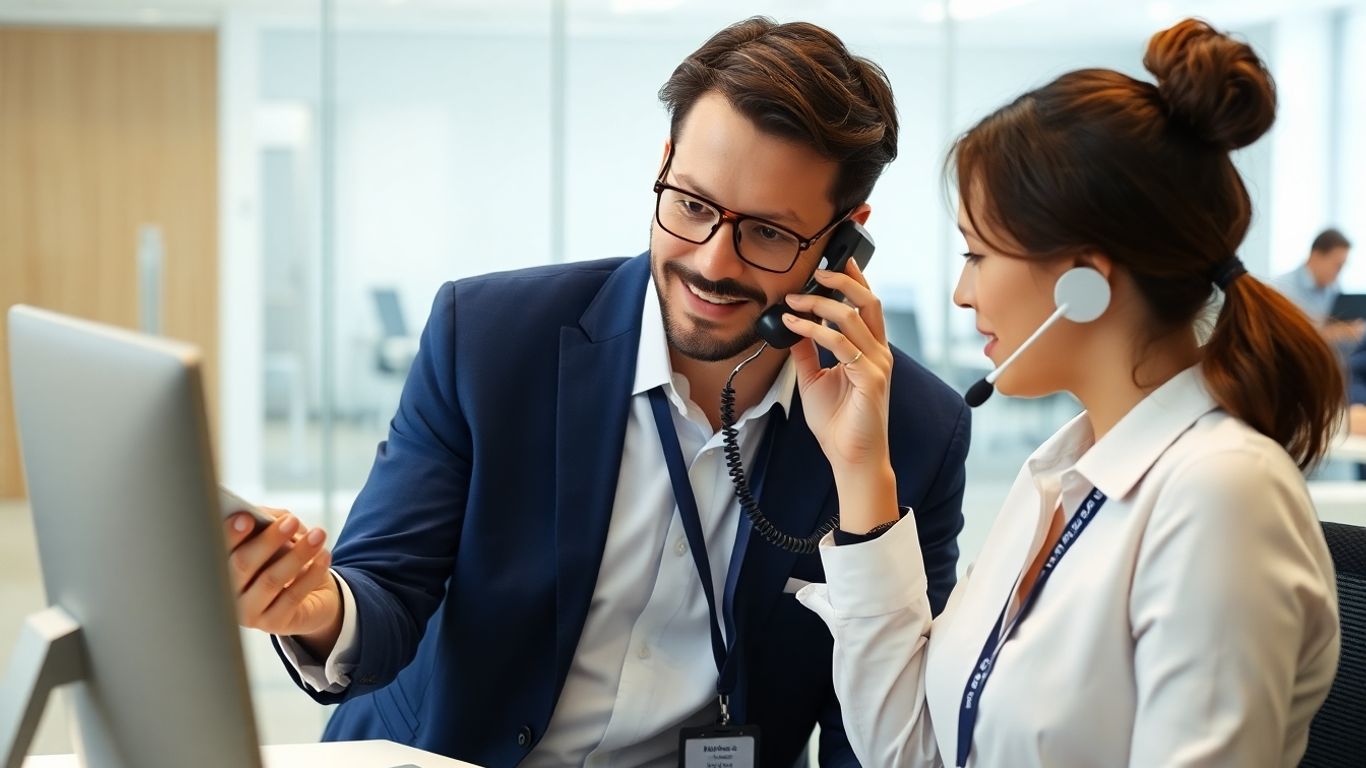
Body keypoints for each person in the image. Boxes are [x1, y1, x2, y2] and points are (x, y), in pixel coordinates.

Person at [222, 17, 971, 768]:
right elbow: (384, 590)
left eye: (769, 234)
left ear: (847, 239)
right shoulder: (487, 338)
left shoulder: (912, 432)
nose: (712, 262)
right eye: (692, 205)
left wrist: (857, 471)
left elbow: (874, 743)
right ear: (665, 163)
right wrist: (317, 611)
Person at [784, 18, 1343, 766]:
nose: (961, 292)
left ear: (1084, 281)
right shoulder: (1060, 473)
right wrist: (862, 472)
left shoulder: (1222, 494)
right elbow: (910, 749)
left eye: (977, 255)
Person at [1273, 227, 1363, 346]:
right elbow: (1282, 338)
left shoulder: (1334, 288)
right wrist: (1332, 333)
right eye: (1338, 266)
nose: (1339, 273)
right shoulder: (1281, 288)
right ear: (1316, 255)